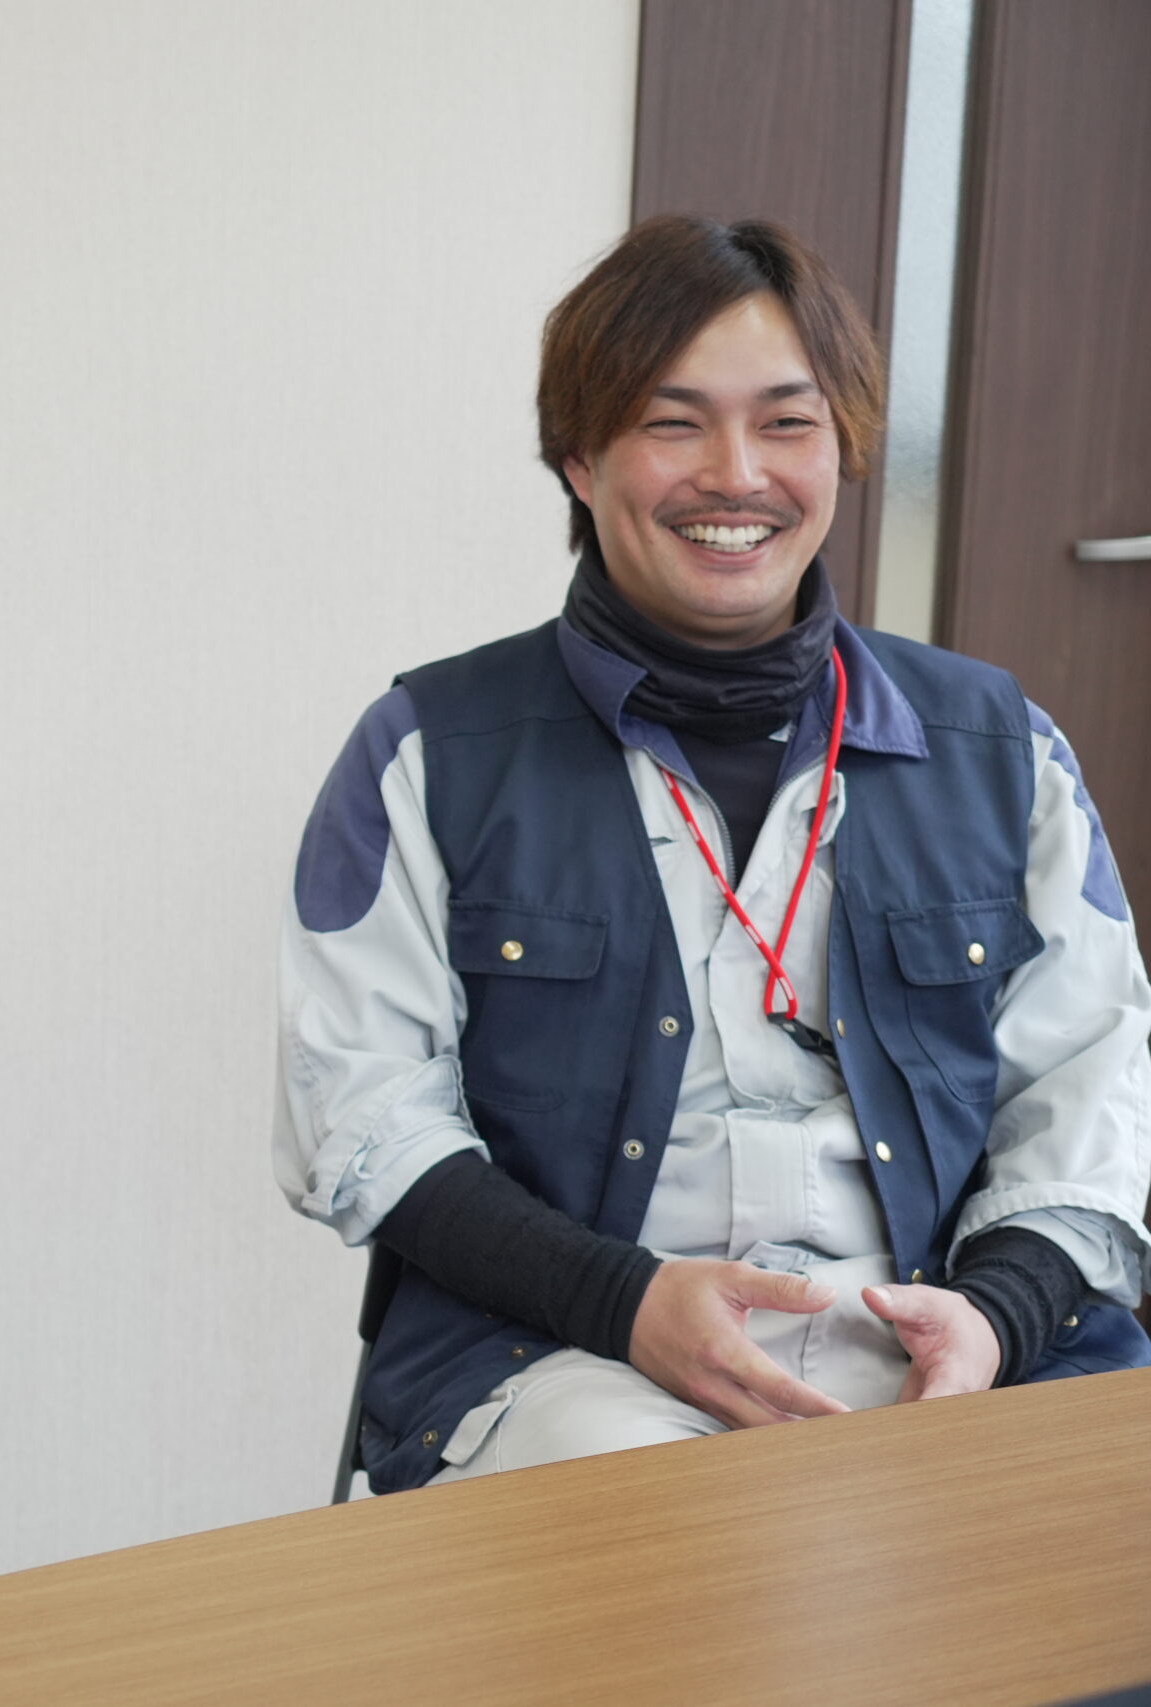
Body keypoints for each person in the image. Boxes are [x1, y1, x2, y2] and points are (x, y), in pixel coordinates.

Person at [276, 216, 1151, 1494]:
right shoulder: (427, 750)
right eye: (671, 423)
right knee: (679, 1541)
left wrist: (999, 1314)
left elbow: (1092, 1084)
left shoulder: (1001, 747)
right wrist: (620, 1300)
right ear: (579, 459)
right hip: (575, 1356)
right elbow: (358, 1118)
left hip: (956, 1342)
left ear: (842, 449)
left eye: (786, 423)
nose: (735, 475)